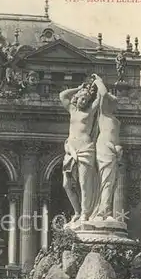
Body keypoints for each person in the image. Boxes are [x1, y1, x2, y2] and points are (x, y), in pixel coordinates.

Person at [59, 82, 100, 222]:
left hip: (85, 148)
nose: (84, 101)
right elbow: (62, 95)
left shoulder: (90, 112)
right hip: (71, 149)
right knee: (67, 184)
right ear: (77, 98)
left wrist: (98, 83)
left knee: (83, 183)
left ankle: (84, 213)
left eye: (86, 100)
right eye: (82, 98)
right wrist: (79, 87)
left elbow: (100, 98)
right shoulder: (72, 110)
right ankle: (77, 210)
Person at [91, 74, 123, 220]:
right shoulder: (103, 114)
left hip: (113, 152)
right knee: (106, 181)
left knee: (111, 182)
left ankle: (106, 210)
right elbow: (103, 93)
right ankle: (102, 211)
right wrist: (99, 82)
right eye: (112, 102)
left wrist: (118, 149)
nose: (114, 105)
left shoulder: (114, 119)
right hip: (105, 147)